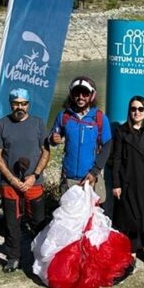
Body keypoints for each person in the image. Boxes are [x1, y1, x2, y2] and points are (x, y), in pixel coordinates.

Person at [0, 88, 50, 273]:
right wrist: (10, 178)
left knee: (38, 222)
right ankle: (13, 257)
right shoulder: (1, 124)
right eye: (16, 103)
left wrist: (34, 175)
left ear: (28, 104)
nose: (20, 107)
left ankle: (40, 257)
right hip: (10, 184)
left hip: (34, 183)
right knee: (11, 222)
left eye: (23, 103)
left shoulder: (38, 124)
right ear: (10, 104)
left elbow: (46, 151)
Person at [111, 96, 144, 266]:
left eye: (141, 109)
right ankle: (132, 251)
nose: (137, 112)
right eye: (133, 109)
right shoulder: (122, 131)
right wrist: (117, 183)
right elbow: (117, 159)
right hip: (129, 181)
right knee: (131, 218)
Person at [50, 76, 112, 204]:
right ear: (71, 95)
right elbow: (53, 137)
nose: (81, 97)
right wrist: (53, 139)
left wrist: (94, 172)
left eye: (85, 93)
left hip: (90, 177)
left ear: (92, 95)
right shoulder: (64, 116)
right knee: (68, 218)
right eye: (76, 93)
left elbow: (107, 146)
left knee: (90, 219)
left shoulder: (99, 118)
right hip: (69, 178)